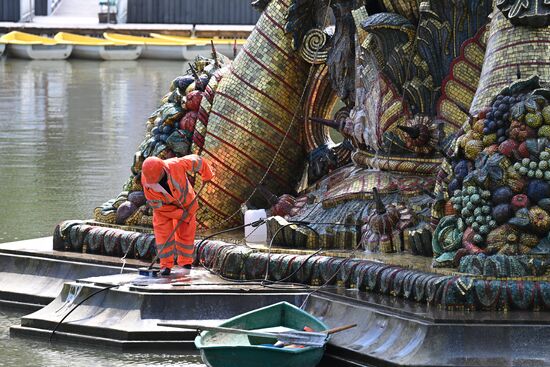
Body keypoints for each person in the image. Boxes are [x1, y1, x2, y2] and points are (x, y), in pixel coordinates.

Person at [141, 154, 213, 276]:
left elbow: (198, 161)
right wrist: (180, 214)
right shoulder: (147, 183)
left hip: (186, 204)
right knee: (163, 236)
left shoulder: (176, 165)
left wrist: (207, 174)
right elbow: (159, 207)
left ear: (162, 171)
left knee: (186, 234)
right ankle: (165, 266)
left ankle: (185, 263)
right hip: (163, 211)